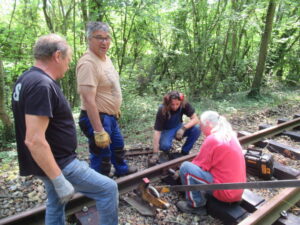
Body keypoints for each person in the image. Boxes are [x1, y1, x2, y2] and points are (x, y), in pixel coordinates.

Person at [12, 34, 118, 225]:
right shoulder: (41, 84)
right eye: (68, 60)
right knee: (108, 189)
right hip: (60, 162)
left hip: (47, 161)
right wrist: (59, 179)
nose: (69, 66)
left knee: (56, 202)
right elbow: (34, 140)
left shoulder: (26, 79)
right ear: (57, 56)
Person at [76, 21, 137, 177]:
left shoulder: (105, 58)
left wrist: (115, 107)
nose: (104, 42)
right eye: (99, 38)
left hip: (110, 116)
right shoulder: (88, 63)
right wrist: (98, 130)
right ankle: (98, 184)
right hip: (97, 118)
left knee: (118, 146)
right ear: (89, 39)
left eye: (107, 38)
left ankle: (122, 171)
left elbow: (109, 87)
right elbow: (88, 100)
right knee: (102, 154)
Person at [177, 110, 246, 215]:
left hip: (225, 193)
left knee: (185, 168)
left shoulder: (213, 139)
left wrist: (179, 172)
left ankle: (196, 206)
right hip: (237, 191)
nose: (200, 128)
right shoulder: (230, 135)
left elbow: (199, 165)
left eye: (201, 125)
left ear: (208, 124)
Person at [148, 91, 201, 166]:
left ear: (181, 102)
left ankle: (184, 152)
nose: (175, 107)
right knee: (164, 146)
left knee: (197, 129)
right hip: (167, 130)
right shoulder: (162, 109)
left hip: (179, 126)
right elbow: (157, 132)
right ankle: (165, 152)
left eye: (177, 104)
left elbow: (196, 119)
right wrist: (155, 153)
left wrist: (183, 128)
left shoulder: (184, 104)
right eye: (172, 104)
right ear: (168, 103)